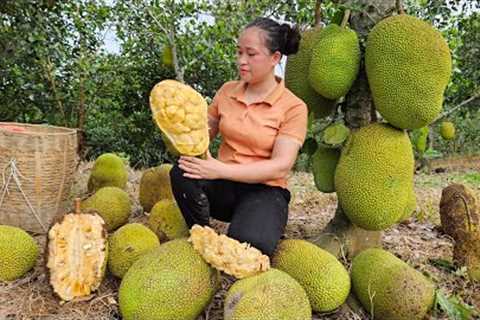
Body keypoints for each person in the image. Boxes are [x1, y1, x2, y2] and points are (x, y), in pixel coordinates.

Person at [170, 17, 307, 257]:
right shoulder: (226, 91)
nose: (241, 61)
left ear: (275, 58)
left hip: (264, 191)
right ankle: (201, 233)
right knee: (182, 171)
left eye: (251, 54)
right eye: (239, 52)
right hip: (224, 188)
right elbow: (203, 131)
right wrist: (176, 119)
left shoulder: (293, 107)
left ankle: (254, 224)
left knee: (249, 248)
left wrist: (219, 170)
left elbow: (280, 166)